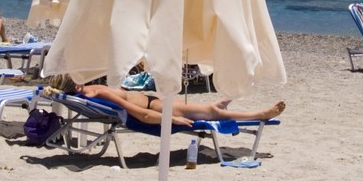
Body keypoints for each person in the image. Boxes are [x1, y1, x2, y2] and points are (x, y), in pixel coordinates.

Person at [51, 79, 285, 128]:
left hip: (156, 102)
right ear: (75, 87)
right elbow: (139, 114)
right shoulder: (97, 95)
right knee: (211, 112)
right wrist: (170, 120)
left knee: (211, 110)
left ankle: (221, 105)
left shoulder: (90, 90)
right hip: (157, 109)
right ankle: (260, 114)